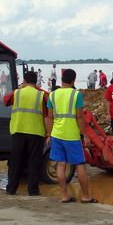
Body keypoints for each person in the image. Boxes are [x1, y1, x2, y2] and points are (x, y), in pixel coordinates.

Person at [45, 68, 97, 203]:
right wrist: (84, 135)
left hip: (57, 134)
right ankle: (86, 196)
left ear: (61, 79)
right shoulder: (76, 95)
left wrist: (49, 135)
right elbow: (80, 117)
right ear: (73, 80)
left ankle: (65, 195)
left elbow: (49, 117)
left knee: (61, 165)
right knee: (80, 164)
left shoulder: (52, 95)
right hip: (72, 136)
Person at [3, 71, 47, 196]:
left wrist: (21, 87)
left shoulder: (17, 93)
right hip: (36, 132)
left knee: (15, 161)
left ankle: (11, 189)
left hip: (18, 130)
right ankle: (33, 190)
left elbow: (5, 101)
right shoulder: (41, 95)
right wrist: (48, 133)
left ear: (24, 80)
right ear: (36, 81)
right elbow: (46, 114)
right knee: (34, 162)